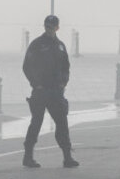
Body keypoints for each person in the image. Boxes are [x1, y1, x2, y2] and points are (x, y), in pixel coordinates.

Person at [22, 15, 78, 168]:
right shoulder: (37, 44)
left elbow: (66, 67)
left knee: (62, 124)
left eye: (52, 27)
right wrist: (36, 84)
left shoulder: (60, 46)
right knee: (36, 123)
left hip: (56, 92)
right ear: (44, 26)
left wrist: (63, 83)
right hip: (40, 92)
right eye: (47, 26)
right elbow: (27, 66)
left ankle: (67, 157)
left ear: (57, 28)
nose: (49, 29)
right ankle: (28, 157)